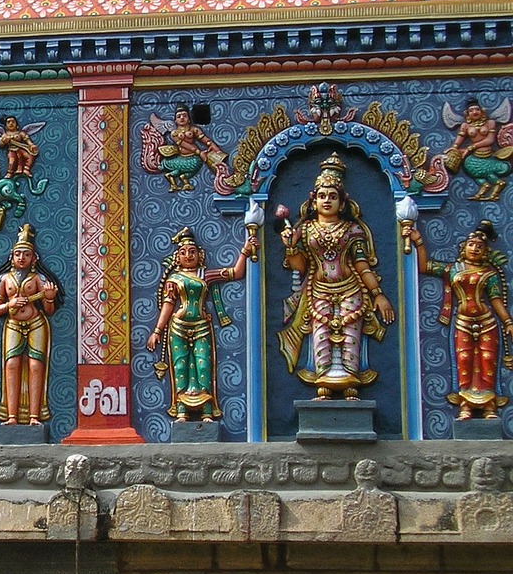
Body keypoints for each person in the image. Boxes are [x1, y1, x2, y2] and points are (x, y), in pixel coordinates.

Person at [278, 155, 395, 400]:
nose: (327, 200)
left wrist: (378, 295)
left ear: (343, 203)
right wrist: (290, 247)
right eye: (322, 196)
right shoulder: (305, 229)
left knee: (350, 338)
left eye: (333, 196)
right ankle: (323, 385)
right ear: (314, 201)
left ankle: (350, 383)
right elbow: (299, 267)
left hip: (351, 289)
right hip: (318, 290)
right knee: (321, 339)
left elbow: (362, 267)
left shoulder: (352, 230)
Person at [145, 227, 256, 422]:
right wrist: (157, 331)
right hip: (178, 326)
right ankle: (181, 410)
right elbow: (168, 305)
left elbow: (236, 273)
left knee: (203, 365)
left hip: (201, 326)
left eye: (192, 252)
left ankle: (206, 410)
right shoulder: (174, 279)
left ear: (200, 254)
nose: (188, 255)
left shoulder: (206, 275)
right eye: (183, 252)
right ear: (177, 257)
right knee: (180, 367)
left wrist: (245, 251)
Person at [409, 220, 513, 420]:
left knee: (487, 361)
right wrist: (418, 242)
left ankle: (489, 406)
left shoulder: (488, 274)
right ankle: (465, 404)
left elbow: (496, 300)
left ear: (485, 253)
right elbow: (425, 267)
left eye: (480, 247)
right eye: (471, 245)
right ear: (463, 248)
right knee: (464, 361)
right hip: (463, 321)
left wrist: (508, 322)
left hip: (487, 321)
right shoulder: (453, 269)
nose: (475, 249)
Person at [0, 225, 60, 425]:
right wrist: (10, 304)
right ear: (11, 257)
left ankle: (34, 416)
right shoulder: (3, 280)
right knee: (11, 365)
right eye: (17, 254)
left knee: (36, 365)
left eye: (26, 254)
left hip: (36, 323)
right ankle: (11, 416)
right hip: (13, 324)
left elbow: (49, 310)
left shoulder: (39, 279)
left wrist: (49, 299)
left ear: (34, 259)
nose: (21, 258)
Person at [448, 98, 512, 201]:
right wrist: (453, 149)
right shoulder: (465, 126)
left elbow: (490, 140)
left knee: (488, 172)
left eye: (477, 109)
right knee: (474, 172)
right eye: (471, 110)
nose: (474, 112)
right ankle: (484, 188)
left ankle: (497, 188)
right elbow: (458, 141)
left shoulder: (490, 123)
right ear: (467, 114)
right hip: (474, 157)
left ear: (482, 111)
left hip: (488, 156)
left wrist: (472, 147)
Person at [158, 104, 226, 192]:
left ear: (189, 119)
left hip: (194, 157)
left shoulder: (194, 130)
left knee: (196, 164)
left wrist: (217, 150)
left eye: (184, 115)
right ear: (175, 120)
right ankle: (174, 181)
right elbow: (184, 145)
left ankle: (183, 180)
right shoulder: (174, 133)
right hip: (182, 158)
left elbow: (206, 141)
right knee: (180, 167)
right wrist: (199, 152)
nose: (182, 118)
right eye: (179, 116)